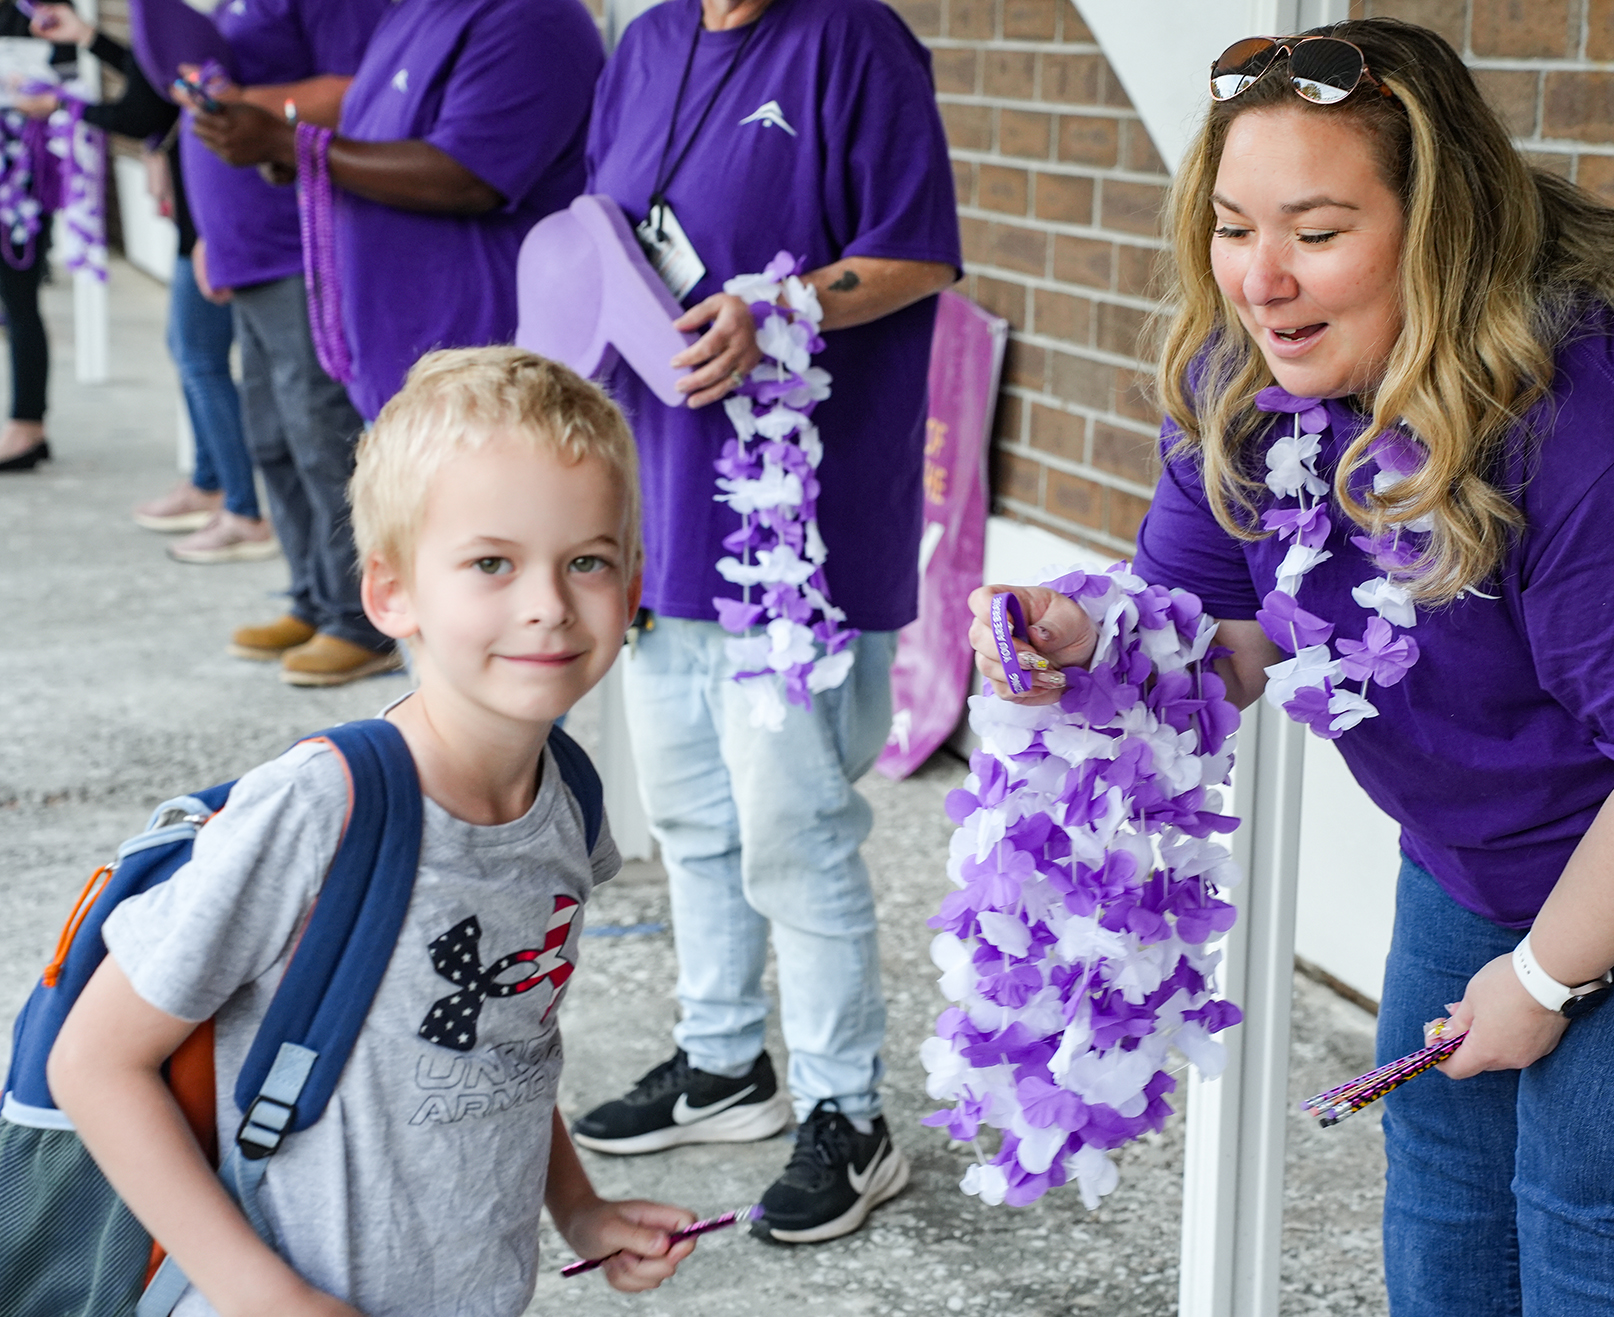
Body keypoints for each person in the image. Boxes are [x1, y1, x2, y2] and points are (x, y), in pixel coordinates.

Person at [969, 20, 1614, 1316]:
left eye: (1315, 231)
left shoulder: (1594, 423)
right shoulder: (1243, 381)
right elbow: (1218, 644)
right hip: (1507, 823)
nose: (1259, 279)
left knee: (1603, 1219)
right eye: (1231, 224)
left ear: (1438, 227)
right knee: (1446, 1160)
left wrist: (1544, 977)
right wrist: (1084, 650)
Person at [48, 346, 700, 1317]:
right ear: (392, 591)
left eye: (587, 562)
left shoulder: (568, 799)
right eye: (491, 562)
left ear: (634, 580)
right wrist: (265, 1297)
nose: (547, 605)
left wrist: (581, 1211)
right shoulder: (320, 809)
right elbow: (95, 1064)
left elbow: (500, 1043)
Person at [569, 0, 960, 1247]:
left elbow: (920, 253)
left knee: (793, 829)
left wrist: (778, 304)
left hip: (799, 531)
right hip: (664, 506)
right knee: (686, 810)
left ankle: (850, 1113)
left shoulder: (853, 38)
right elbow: (598, 244)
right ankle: (722, 1060)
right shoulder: (643, 44)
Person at [192, 0, 604, 424]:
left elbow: (468, 178)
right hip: (400, 371)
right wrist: (299, 155)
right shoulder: (412, 10)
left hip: (481, 383)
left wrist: (290, 145)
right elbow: (370, 136)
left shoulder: (531, 18)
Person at [171, 0, 398, 680]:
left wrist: (247, 102)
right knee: (269, 432)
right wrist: (211, 231)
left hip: (297, 246)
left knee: (319, 431)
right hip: (246, 247)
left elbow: (358, 91)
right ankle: (312, 596)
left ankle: (359, 620)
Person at [18, 3, 274, 560]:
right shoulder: (172, 14)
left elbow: (142, 110)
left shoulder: (177, 12)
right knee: (190, 353)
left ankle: (244, 510)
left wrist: (64, 105)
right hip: (199, 211)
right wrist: (90, 37)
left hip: (210, 219)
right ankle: (212, 485)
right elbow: (158, 91)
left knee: (202, 359)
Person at [0, 2, 74, 473]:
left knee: (20, 298)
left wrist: (48, 98)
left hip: (22, 176)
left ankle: (28, 424)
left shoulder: (43, 7)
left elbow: (69, 83)